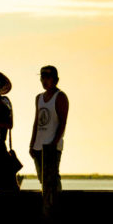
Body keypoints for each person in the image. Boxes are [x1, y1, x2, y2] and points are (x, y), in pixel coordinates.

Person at [29, 65, 68, 193]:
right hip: (38, 146)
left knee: (52, 178)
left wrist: (54, 143)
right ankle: (47, 206)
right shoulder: (38, 98)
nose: (44, 81)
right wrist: (32, 144)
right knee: (42, 179)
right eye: (42, 78)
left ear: (55, 80)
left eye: (47, 78)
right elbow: (36, 122)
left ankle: (55, 206)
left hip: (52, 146)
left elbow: (62, 123)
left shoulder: (60, 97)